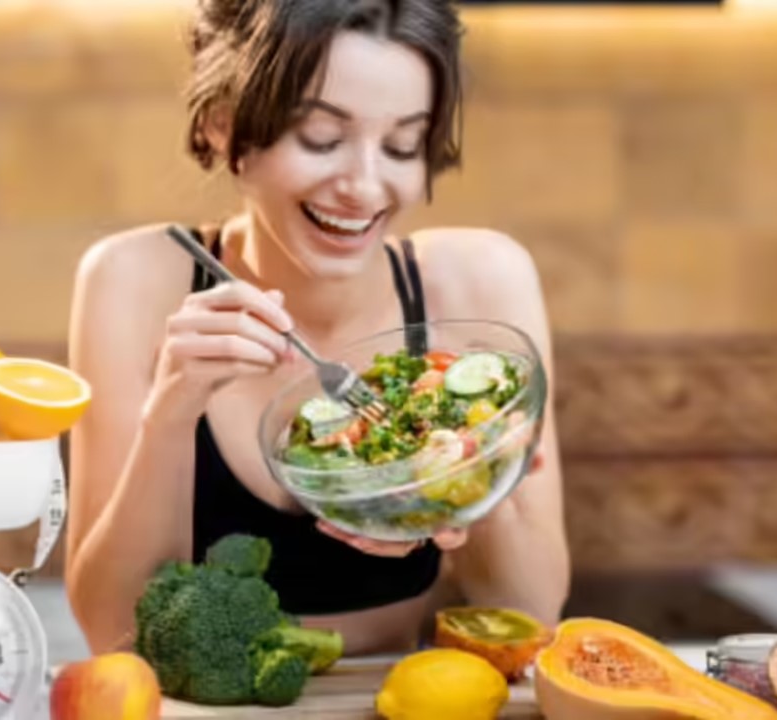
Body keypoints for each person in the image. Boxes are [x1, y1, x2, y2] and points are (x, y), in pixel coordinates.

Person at [64, 0, 569, 657]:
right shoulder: (134, 280)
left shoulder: (479, 282)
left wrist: (476, 483)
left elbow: (531, 614)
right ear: (224, 126)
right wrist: (171, 413)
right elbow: (113, 633)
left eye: (402, 145)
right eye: (322, 139)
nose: (363, 186)